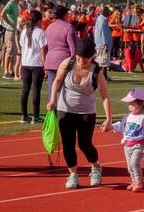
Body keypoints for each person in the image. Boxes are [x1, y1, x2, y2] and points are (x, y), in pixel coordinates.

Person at [46, 38, 113, 189]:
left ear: (92, 57)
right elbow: (56, 81)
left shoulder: (97, 71)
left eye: (85, 58)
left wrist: (108, 119)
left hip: (86, 112)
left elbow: (105, 96)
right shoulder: (67, 63)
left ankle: (95, 167)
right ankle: (73, 175)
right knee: (68, 143)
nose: (81, 61)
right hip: (65, 109)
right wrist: (52, 100)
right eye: (79, 58)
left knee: (85, 144)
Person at [111, 88, 144, 192]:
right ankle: (134, 181)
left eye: (132, 104)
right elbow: (121, 126)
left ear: (142, 103)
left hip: (138, 145)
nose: (130, 106)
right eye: (129, 103)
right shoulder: (128, 116)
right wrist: (110, 126)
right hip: (127, 145)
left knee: (134, 163)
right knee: (129, 166)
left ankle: (139, 181)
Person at [45, 5, 78, 102]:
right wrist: (74, 66)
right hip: (64, 63)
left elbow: (46, 46)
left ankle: (52, 113)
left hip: (50, 62)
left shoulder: (49, 27)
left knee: (53, 91)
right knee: (64, 91)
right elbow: (74, 50)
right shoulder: (69, 27)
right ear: (64, 15)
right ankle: (61, 115)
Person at [19, 10, 47, 124]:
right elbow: (43, 51)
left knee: (25, 89)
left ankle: (24, 115)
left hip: (25, 63)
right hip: (37, 64)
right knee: (36, 90)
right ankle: (36, 116)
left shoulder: (24, 31)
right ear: (39, 20)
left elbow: (22, 47)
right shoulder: (40, 32)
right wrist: (45, 66)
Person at [0, 0, 22, 79]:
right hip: (10, 30)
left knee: (13, 51)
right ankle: (6, 72)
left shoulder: (16, 3)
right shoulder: (10, 3)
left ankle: (10, 71)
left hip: (15, 30)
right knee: (9, 51)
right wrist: (10, 23)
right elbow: (2, 14)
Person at [94, 6, 113, 83]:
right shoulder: (101, 20)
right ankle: (100, 78)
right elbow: (103, 33)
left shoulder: (103, 19)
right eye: (108, 11)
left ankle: (104, 76)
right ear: (105, 11)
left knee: (105, 62)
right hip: (102, 45)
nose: (109, 13)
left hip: (105, 44)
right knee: (101, 61)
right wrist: (105, 44)